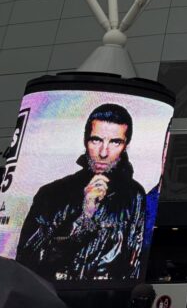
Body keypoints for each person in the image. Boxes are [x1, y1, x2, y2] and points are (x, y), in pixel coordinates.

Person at [16, 103, 147, 281]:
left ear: (126, 146)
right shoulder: (52, 193)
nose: (103, 152)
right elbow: (28, 261)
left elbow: (134, 264)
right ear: (85, 141)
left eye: (115, 142)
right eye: (96, 140)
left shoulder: (135, 196)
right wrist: (83, 218)